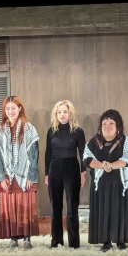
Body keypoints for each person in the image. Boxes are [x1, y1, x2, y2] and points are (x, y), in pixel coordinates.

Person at [83, 109, 128, 252]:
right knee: (103, 212)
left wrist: (111, 166)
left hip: (121, 185)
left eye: (111, 123)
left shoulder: (126, 141)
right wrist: (102, 165)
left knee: (119, 211)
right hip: (101, 186)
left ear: (118, 126)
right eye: (104, 124)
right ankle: (105, 241)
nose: (107, 126)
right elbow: (87, 159)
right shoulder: (93, 142)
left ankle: (121, 240)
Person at [0, 95, 40, 249]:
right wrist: (0, 178)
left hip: (25, 174)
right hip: (7, 175)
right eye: (8, 108)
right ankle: (13, 238)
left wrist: (31, 176)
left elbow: (34, 154)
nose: (11, 111)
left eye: (13, 108)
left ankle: (27, 238)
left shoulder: (29, 128)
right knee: (10, 207)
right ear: (4, 111)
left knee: (25, 206)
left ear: (20, 108)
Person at [44, 100, 86, 248]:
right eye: (59, 112)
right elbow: (48, 153)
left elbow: (82, 153)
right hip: (54, 168)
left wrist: (83, 172)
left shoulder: (78, 131)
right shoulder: (51, 131)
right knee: (55, 208)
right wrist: (46, 173)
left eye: (65, 112)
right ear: (56, 114)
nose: (62, 115)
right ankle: (56, 242)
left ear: (70, 113)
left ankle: (74, 243)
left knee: (72, 208)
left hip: (72, 168)